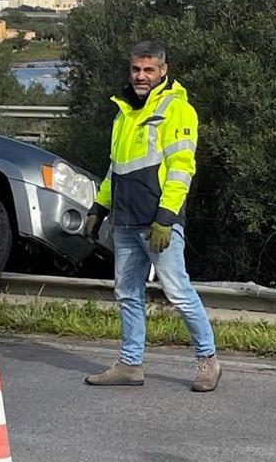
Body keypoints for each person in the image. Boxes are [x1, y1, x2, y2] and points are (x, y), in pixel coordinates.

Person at [84, 41, 220, 392]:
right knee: (127, 293)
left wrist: (166, 216)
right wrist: (99, 208)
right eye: (135, 70)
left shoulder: (177, 109)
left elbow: (181, 168)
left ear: (163, 70)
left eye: (148, 70)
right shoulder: (124, 112)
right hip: (126, 221)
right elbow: (117, 168)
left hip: (158, 222)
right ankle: (130, 364)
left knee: (178, 291)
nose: (141, 76)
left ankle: (208, 360)